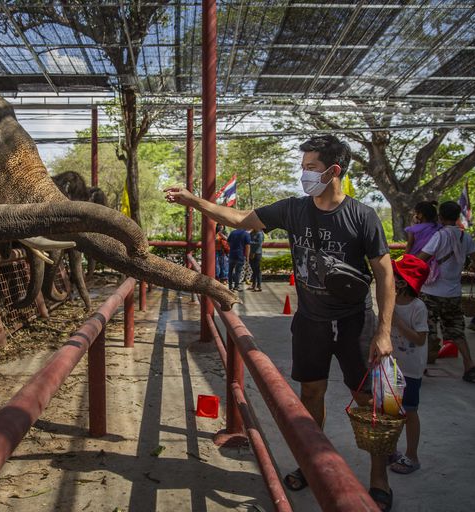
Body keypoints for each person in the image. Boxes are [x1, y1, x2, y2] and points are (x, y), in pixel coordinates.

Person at [165, 135, 395, 511]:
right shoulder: (293, 210)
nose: (304, 175)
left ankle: (378, 477)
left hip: (356, 323)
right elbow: (239, 219)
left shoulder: (362, 216)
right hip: (310, 322)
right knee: (310, 395)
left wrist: (383, 332)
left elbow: (385, 275)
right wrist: (194, 201)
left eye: (311, 168)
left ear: (333, 171)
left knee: (369, 400)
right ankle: (312, 462)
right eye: (303, 167)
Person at [417, 201, 475, 378]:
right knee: (457, 331)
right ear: (458, 216)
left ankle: (421, 366)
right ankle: (469, 364)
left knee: (427, 329)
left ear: (440, 217)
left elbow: (422, 258)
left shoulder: (440, 236)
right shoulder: (465, 237)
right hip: (453, 293)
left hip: (431, 292)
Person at [387, 255, 430, 476]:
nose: (389, 277)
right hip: (392, 366)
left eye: (394, 274)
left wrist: (397, 322)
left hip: (411, 370)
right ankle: (392, 450)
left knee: (409, 411)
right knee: (392, 410)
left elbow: (420, 339)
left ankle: (412, 455)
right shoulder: (391, 300)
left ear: (403, 282)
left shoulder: (418, 307)